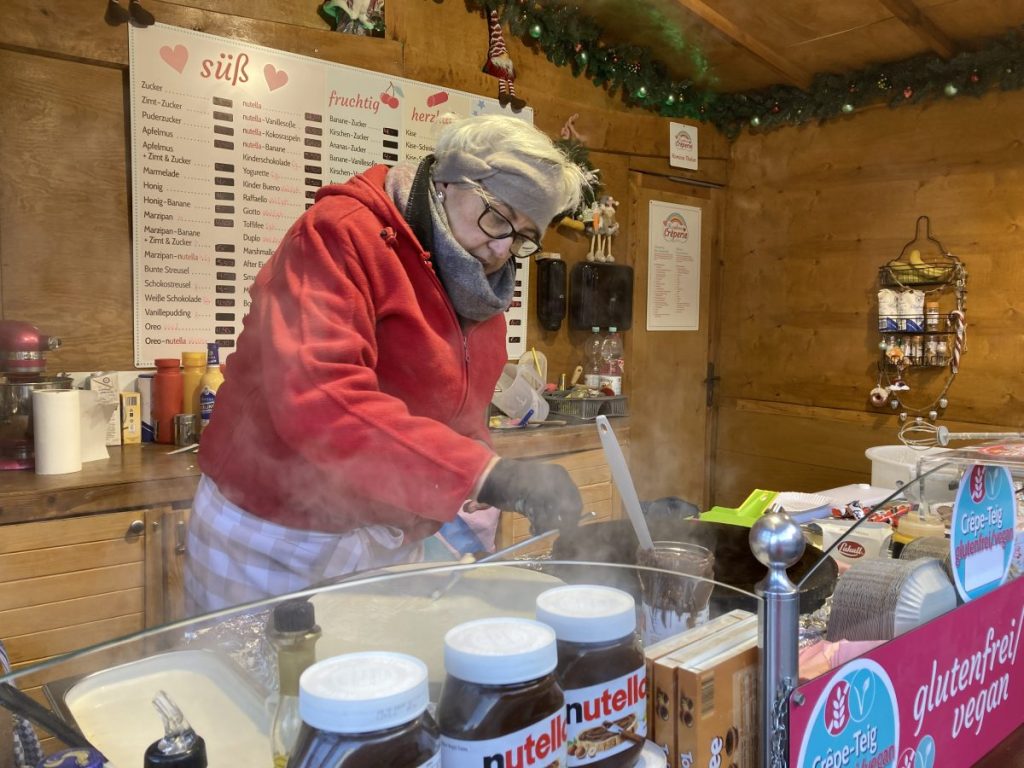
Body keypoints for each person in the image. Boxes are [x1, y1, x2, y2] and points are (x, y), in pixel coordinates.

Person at [185, 115, 592, 614]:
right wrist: (480, 473)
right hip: (277, 535)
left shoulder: (477, 278)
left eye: (525, 236)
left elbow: (454, 401)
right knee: (259, 687)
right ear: (448, 182)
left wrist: (478, 460)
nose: (503, 248)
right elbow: (321, 400)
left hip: (386, 535)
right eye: (497, 215)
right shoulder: (341, 235)